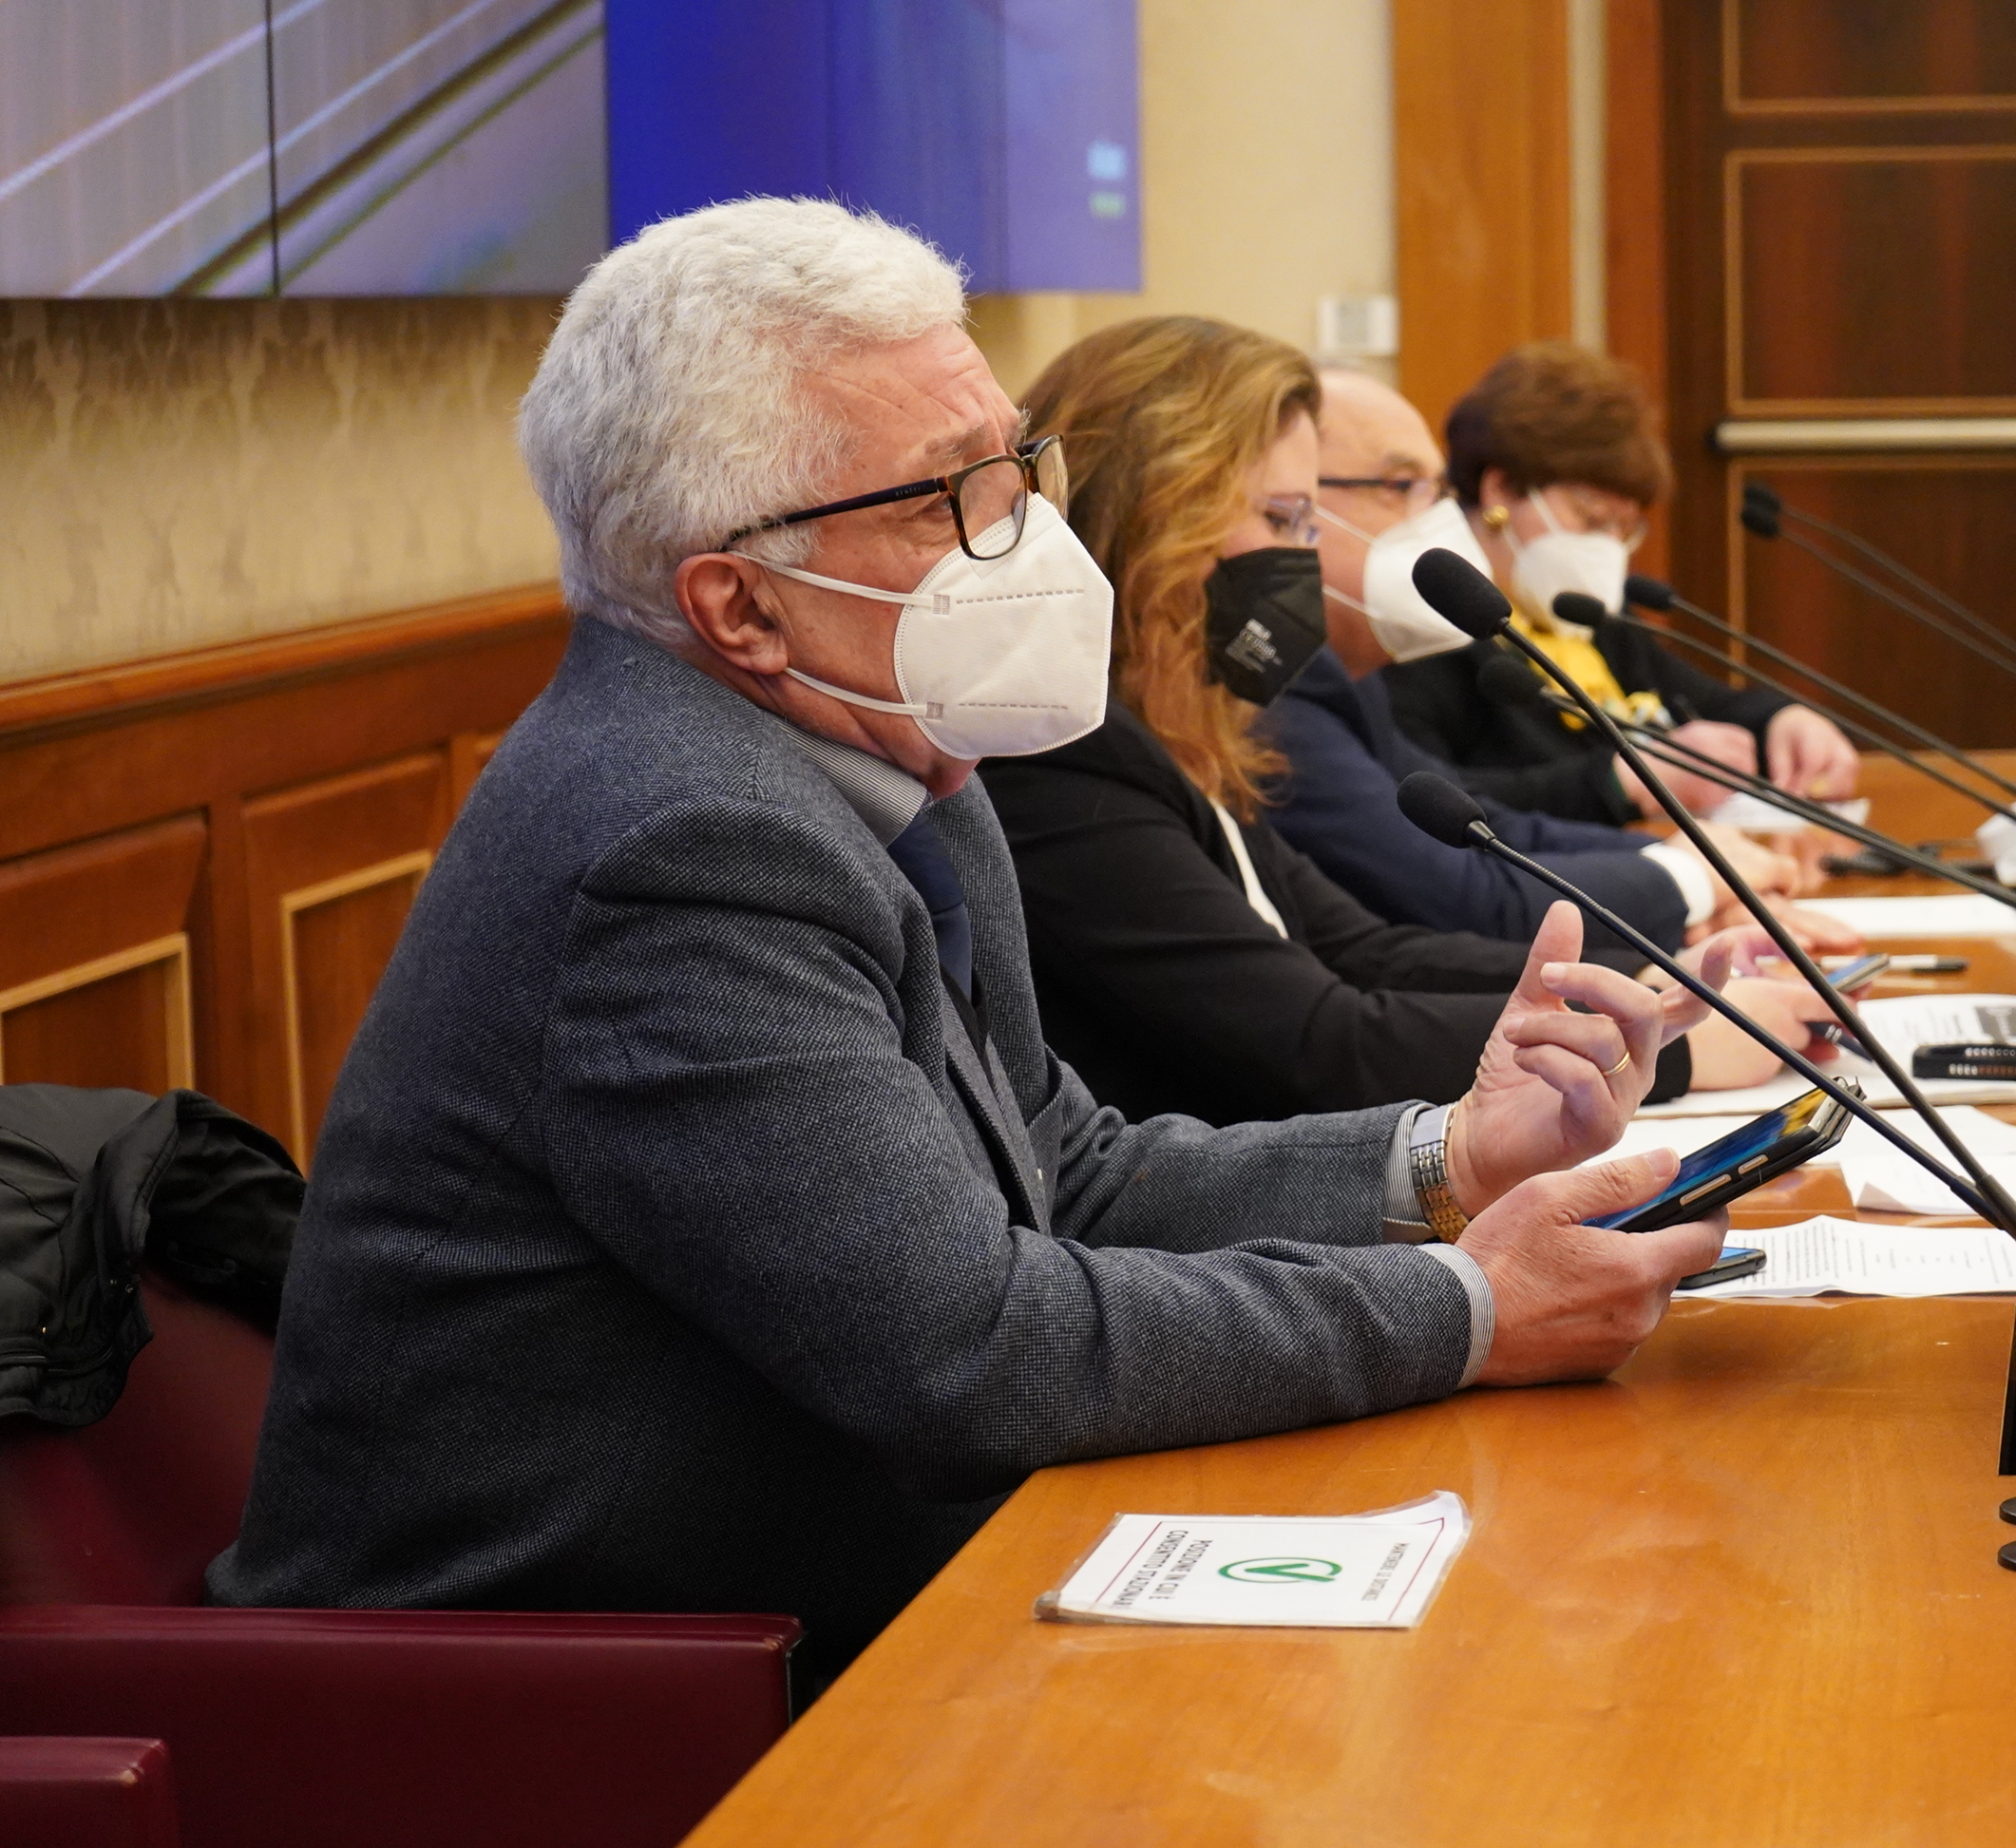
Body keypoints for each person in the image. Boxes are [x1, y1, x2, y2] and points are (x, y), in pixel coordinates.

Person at [207, 201, 1740, 1692]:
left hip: (830, 1612)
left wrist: (1448, 1157)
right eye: (947, 498)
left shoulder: (900, 758)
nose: (1024, 535)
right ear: (741, 607)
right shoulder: (675, 850)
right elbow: (971, 1351)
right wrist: (1469, 1310)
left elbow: (1072, 1174)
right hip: (562, 1717)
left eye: (1017, 464)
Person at [980, 317, 1826, 1129]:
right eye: (1282, 520)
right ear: (1160, 518)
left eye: (1309, 521)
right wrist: (1657, 1043)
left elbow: (1367, 950)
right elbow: (1319, 1041)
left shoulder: (1185, 725)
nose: (1306, 556)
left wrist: (1652, 984)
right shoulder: (1066, 755)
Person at [1254, 368, 1837, 954]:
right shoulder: (1355, 659)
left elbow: (1489, 825)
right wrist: (1685, 880)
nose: (1605, 547)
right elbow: (1459, 890)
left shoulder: (1583, 624)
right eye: (1403, 486)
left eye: (1435, 491)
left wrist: (1690, 862)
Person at [1385, 342, 1861, 824]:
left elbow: (1702, 702)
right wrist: (1623, 781)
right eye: (1591, 519)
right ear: (1500, 490)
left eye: (1624, 528)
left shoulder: (1580, 616)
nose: (1607, 547)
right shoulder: (1415, 625)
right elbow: (1423, 798)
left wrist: (1782, 720)